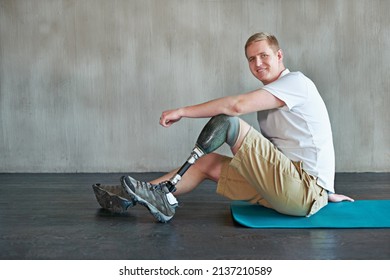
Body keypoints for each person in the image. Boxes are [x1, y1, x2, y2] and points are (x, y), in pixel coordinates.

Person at [93, 32, 354, 223]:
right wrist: (325, 191)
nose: (258, 63)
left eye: (264, 56)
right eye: (252, 59)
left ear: (279, 55)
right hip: (287, 189)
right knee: (206, 163)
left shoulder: (297, 83)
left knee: (229, 121)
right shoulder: (272, 94)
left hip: (301, 189)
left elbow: (236, 107)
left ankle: (155, 196)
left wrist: (183, 111)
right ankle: (135, 194)